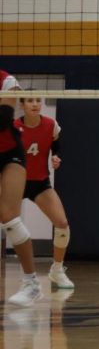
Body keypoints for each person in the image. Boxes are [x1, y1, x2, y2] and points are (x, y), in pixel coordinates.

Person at [15, 98, 72, 290]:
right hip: (16, 183)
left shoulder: (51, 125)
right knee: (10, 223)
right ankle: (28, 277)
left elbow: (56, 143)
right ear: (22, 105)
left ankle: (57, 270)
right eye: (30, 101)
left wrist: (56, 156)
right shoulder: (13, 128)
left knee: (62, 223)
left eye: (38, 100)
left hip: (40, 183)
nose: (35, 104)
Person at [0, 69, 40, 308]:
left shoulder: (7, 80)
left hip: (9, 154)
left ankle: (31, 283)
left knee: (9, 217)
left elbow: (3, 120)